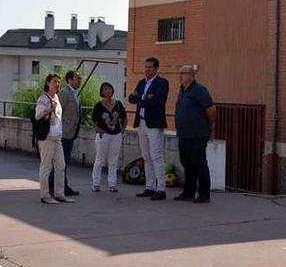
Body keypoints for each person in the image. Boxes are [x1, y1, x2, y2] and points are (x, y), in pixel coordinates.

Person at [128, 57, 169, 201]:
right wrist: (145, 97)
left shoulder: (162, 83)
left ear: (156, 69)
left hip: (154, 124)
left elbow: (158, 100)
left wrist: (141, 98)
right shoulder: (141, 82)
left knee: (156, 155)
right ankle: (149, 187)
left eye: (150, 67)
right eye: (145, 67)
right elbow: (131, 99)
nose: (147, 70)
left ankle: (161, 189)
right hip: (141, 123)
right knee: (146, 156)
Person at [173, 65, 216, 203]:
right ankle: (188, 192)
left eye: (183, 73)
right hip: (184, 134)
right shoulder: (182, 91)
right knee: (186, 162)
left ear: (192, 75)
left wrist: (208, 125)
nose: (180, 76)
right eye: (180, 73)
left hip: (197, 134)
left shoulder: (199, 90)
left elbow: (211, 109)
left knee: (199, 163)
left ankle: (204, 193)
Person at [34, 73, 74, 204]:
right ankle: (45, 195)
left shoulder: (57, 97)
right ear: (48, 83)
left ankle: (59, 194)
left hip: (57, 137)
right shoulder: (43, 98)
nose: (57, 84)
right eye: (54, 81)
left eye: (58, 82)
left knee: (61, 165)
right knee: (46, 166)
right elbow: (38, 115)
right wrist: (49, 110)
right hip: (47, 137)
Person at [91, 82, 127, 192]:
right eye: (105, 89)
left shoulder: (119, 104)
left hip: (116, 135)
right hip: (103, 135)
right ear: (102, 91)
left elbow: (124, 118)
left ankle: (112, 184)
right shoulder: (98, 105)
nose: (108, 91)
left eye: (110, 88)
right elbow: (93, 121)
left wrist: (122, 130)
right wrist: (98, 130)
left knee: (113, 160)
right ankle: (96, 183)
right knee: (100, 160)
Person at [57, 70, 82, 197]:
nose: (80, 80)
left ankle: (63, 186)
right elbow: (57, 113)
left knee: (64, 162)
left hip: (71, 133)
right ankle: (56, 187)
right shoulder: (65, 93)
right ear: (70, 80)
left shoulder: (75, 94)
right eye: (78, 78)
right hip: (64, 133)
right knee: (60, 162)